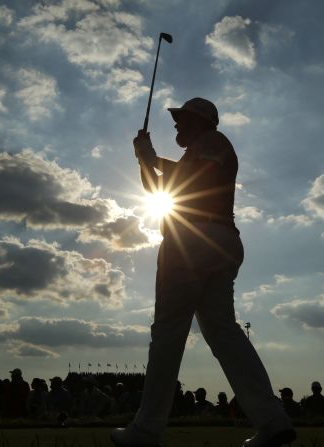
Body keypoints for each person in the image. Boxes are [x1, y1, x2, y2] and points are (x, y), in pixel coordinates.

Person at [111, 98, 295, 447]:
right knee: (223, 333)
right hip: (218, 242)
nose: (177, 125)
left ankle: (146, 430)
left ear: (202, 121)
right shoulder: (197, 150)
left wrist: (150, 157)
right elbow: (155, 188)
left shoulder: (212, 140)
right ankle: (272, 420)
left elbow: (190, 179)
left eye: (182, 119)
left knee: (168, 333)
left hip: (193, 241)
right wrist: (143, 157)